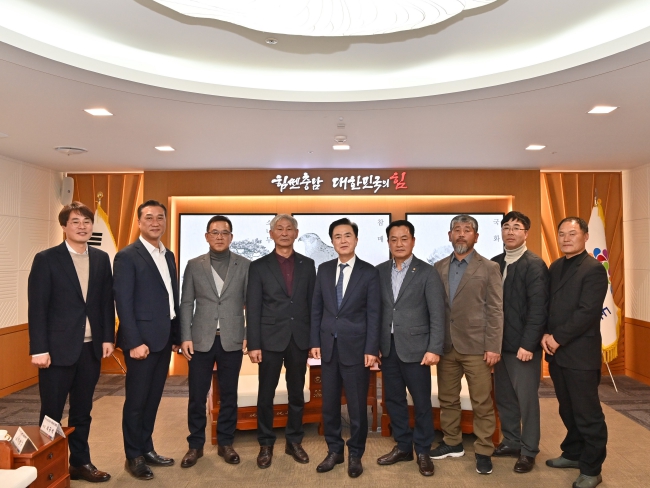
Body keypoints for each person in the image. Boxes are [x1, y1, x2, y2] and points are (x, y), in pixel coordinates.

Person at [28, 201, 115, 483]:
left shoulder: (101, 258)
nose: (82, 226)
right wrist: (39, 348)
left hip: (90, 349)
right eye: (75, 221)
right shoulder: (47, 259)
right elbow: (37, 307)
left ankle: (80, 463)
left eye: (87, 221)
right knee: (51, 412)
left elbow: (105, 302)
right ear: (64, 226)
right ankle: (47, 468)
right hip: (55, 351)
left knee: (83, 411)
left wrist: (108, 338)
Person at [431, 214, 503, 475]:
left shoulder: (489, 267)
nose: (461, 234)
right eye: (457, 230)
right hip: (446, 346)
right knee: (448, 399)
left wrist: (493, 346)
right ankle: (452, 442)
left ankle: (484, 450)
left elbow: (495, 309)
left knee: (481, 401)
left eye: (467, 230)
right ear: (450, 235)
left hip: (477, 347)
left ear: (476, 236)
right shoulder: (438, 267)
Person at [114, 200, 180, 481]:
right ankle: (133, 456)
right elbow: (123, 303)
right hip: (141, 342)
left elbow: (171, 299)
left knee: (153, 399)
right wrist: (133, 341)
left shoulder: (168, 255)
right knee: (136, 401)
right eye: (149, 217)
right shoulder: (127, 256)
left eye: (160, 217)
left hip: (163, 340)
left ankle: (147, 447)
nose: (155, 222)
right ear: (139, 222)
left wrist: (176, 336)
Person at [310, 218, 381, 478]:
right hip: (328, 347)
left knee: (356, 407)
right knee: (329, 405)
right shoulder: (324, 269)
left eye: (347, 235)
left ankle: (355, 454)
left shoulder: (369, 272)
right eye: (337, 236)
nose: (343, 240)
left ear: (356, 239)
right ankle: (334, 451)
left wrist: (371, 348)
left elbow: (374, 313)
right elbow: (316, 308)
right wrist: (314, 342)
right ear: (332, 242)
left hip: (357, 349)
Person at [542, 216, 608, 488]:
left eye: (572, 233)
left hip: (580, 354)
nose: (566, 238)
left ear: (586, 236)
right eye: (562, 234)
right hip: (557, 353)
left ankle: (592, 469)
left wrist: (557, 337)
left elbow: (587, 312)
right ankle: (573, 453)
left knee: (587, 413)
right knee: (567, 409)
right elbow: (549, 305)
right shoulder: (556, 266)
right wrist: (545, 334)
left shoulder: (594, 269)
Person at [376, 220, 445, 477]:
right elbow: (375, 311)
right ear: (388, 243)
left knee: (421, 401)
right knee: (393, 400)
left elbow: (437, 313)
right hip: (388, 348)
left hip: (417, 349)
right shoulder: (379, 271)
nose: (399, 244)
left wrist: (434, 347)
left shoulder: (427, 272)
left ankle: (423, 450)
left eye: (404, 238)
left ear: (413, 241)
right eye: (393, 239)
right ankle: (403, 446)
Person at [246, 214, 316, 469]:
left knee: (297, 393)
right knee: (266, 393)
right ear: (271, 234)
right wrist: (253, 343)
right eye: (279, 228)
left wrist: (314, 340)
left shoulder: (308, 264)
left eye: (289, 229)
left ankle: (294, 441)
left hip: (299, 338)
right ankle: (266, 443)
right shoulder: (258, 266)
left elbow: (313, 305)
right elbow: (253, 307)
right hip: (269, 340)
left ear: (296, 234)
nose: (284, 232)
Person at [179, 215, 250, 468]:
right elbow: (186, 303)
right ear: (207, 236)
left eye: (224, 232)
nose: (220, 237)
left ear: (231, 237)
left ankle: (225, 443)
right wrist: (185, 336)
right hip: (200, 340)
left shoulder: (245, 265)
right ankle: (195, 445)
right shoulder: (194, 265)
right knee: (197, 396)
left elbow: (252, 304)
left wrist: (248, 335)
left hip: (232, 338)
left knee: (229, 394)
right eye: (215, 232)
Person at [491, 211, 549, 473]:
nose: (510, 231)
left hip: (523, 348)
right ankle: (512, 441)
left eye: (516, 227)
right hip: (499, 346)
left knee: (527, 402)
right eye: (506, 226)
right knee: (505, 398)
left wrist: (528, 344)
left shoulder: (534, 265)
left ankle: (528, 450)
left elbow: (539, 309)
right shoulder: (495, 263)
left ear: (526, 233)